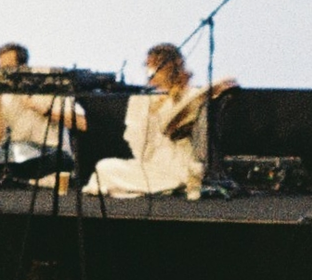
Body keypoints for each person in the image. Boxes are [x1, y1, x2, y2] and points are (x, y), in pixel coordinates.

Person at [86, 43, 228, 197]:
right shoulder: (143, 98)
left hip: (180, 166)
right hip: (152, 164)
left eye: (154, 67)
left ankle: (173, 184)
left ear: (169, 69)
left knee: (105, 172)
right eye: (148, 67)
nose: (150, 72)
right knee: (104, 166)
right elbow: (136, 140)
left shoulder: (190, 95)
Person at [0, 43, 86, 187]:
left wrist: (42, 109)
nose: (3, 74)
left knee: (51, 161)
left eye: (7, 68)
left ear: (23, 67)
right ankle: (13, 178)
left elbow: (81, 123)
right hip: (16, 152)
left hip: (50, 151)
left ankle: (14, 178)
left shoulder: (46, 85)